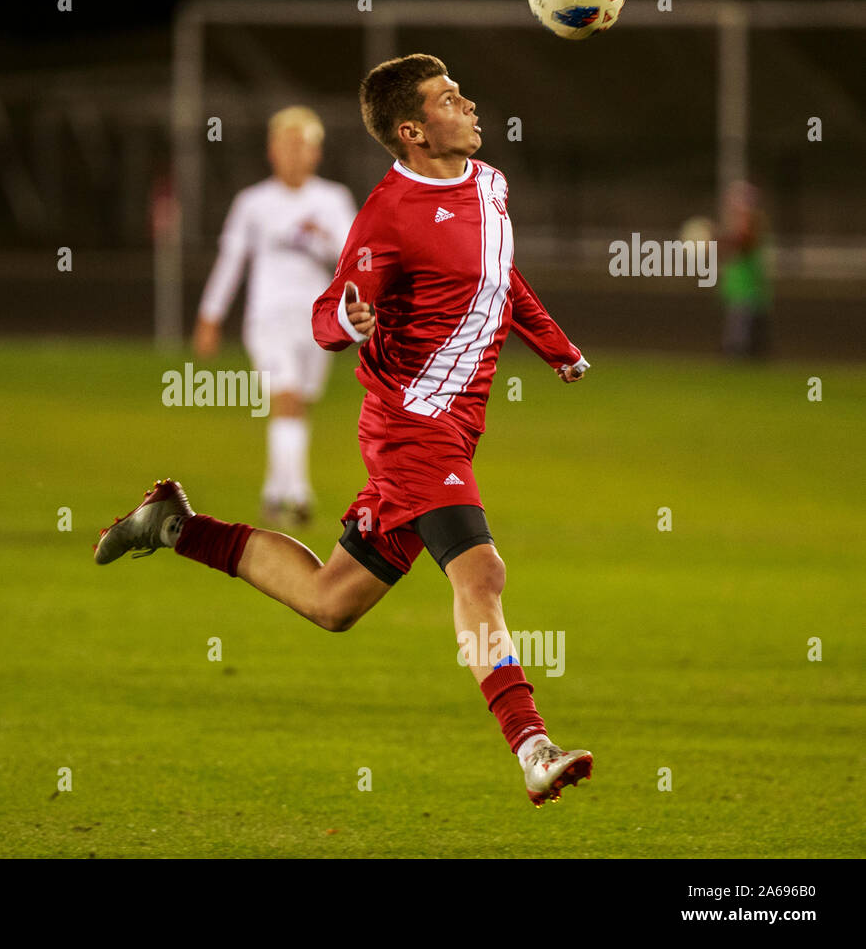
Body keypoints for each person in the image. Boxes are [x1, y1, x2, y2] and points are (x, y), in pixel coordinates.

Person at [95, 55, 594, 806]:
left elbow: (502, 273)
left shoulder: (489, 183)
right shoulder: (389, 214)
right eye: (448, 99)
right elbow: (330, 305)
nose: (468, 104)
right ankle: (532, 744)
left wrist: (556, 345)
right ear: (413, 131)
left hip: (455, 428)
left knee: (332, 601)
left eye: (460, 92)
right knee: (481, 574)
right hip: (410, 427)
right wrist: (347, 323)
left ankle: (176, 527)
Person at [193, 106, 356, 526]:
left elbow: (354, 261)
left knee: (299, 403)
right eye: (287, 144)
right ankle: (299, 494)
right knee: (284, 397)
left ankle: (273, 490)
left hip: (319, 320)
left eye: (303, 145)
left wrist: (323, 243)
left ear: (316, 152)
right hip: (267, 319)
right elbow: (232, 261)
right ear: (272, 151)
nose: (294, 153)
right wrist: (210, 316)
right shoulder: (253, 203)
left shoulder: (333, 200)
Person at [717, 181, 771, 358]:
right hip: (741, 290)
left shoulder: (751, 229)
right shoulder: (740, 229)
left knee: (743, 340)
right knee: (741, 336)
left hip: (749, 290)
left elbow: (743, 242)